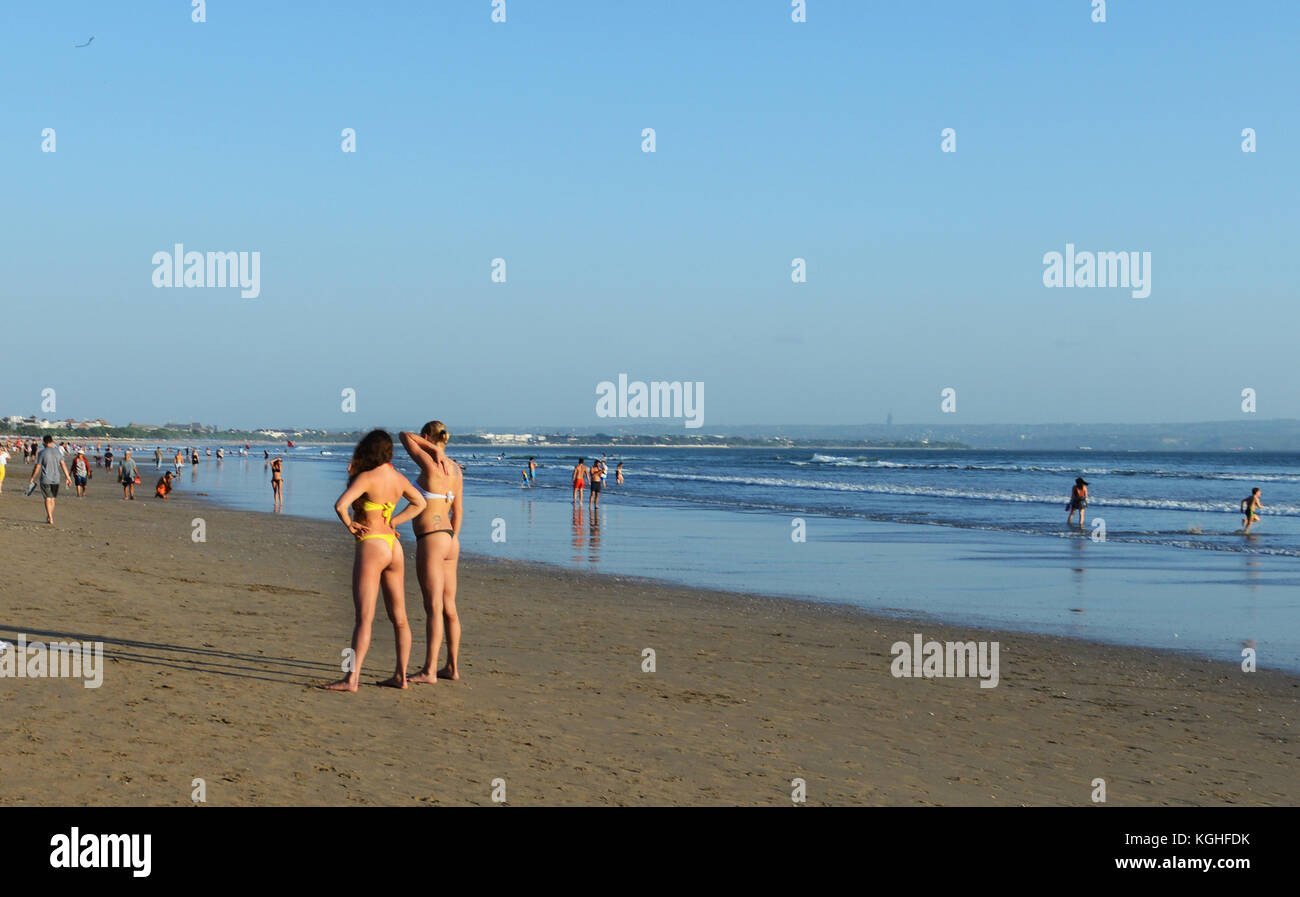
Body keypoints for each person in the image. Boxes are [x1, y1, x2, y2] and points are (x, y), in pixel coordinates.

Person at [323, 430, 426, 692]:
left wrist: (350, 525)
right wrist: (395, 521)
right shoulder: (398, 478)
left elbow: (340, 505)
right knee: (400, 618)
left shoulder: (367, 478)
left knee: (364, 619)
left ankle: (352, 679)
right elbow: (420, 503)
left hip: (371, 545)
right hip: (394, 547)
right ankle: (401, 676)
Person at [400, 422, 465, 683]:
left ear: (427, 437)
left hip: (431, 538)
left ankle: (429, 670)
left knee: (434, 607)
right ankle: (452, 667)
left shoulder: (430, 463)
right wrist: (452, 539)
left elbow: (404, 436)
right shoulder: (457, 471)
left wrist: (432, 450)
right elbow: (458, 512)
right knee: (449, 606)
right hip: (451, 540)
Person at [28, 435, 72, 525]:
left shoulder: (42, 452)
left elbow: (37, 467)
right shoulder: (58, 452)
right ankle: (50, 516)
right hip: (56, 479)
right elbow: (63, 465)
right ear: (51, 442)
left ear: (44, 442)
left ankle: (50, 517)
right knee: (52, 499)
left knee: (47, 498)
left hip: (45, 478)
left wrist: (32, 477)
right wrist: (68, 477)